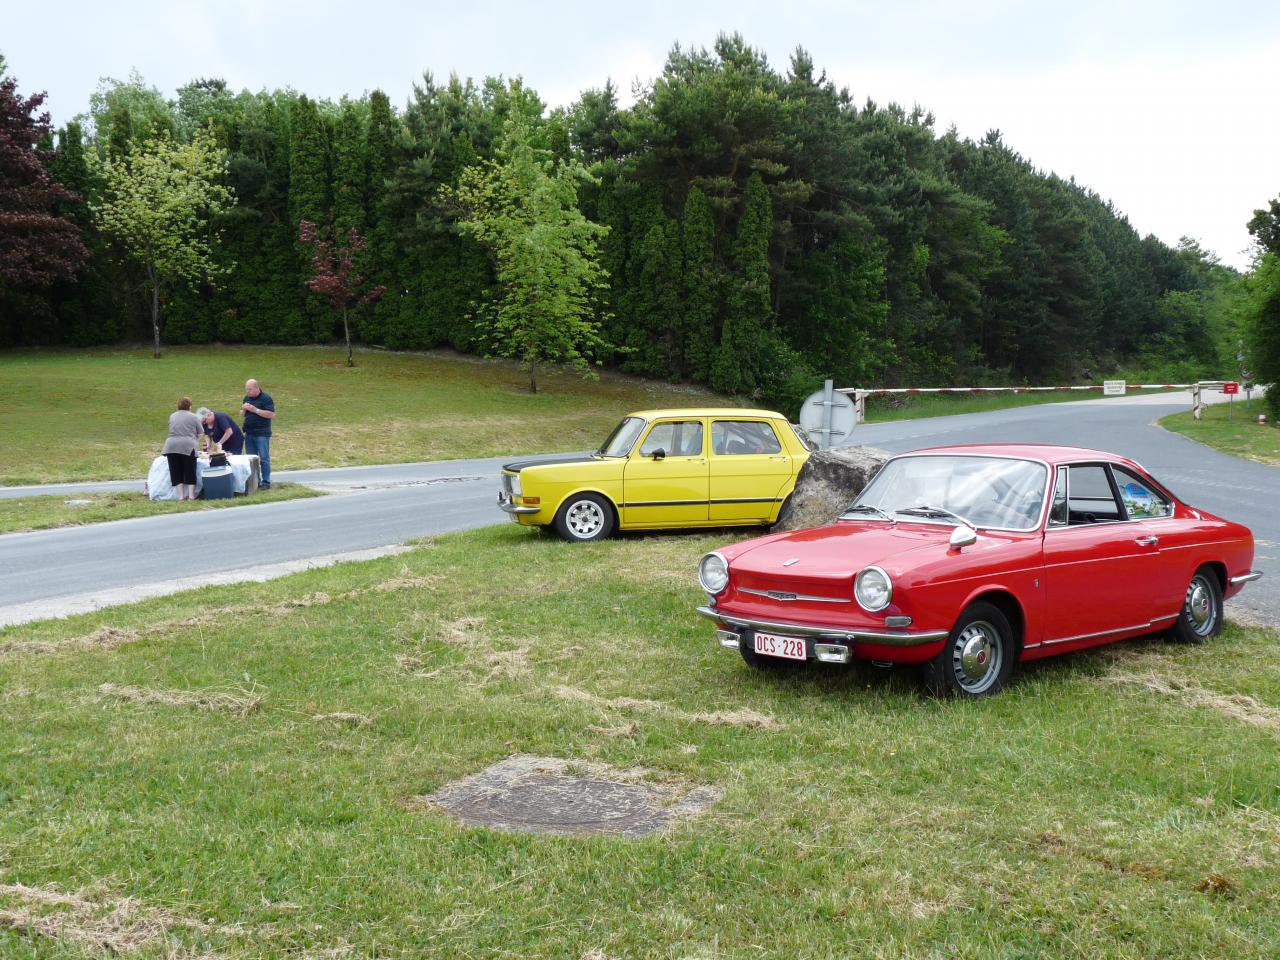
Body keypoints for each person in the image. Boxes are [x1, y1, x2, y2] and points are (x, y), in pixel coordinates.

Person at [162, 397, 203, 501]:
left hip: (171, 446)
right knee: (190, 470)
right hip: (187, 445)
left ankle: (180, 496)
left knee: (175, 471)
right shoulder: (194, 417)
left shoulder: (172, 416)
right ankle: (191, 496)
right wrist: (194, 440)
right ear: (189, 406)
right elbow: (201, 433)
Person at [241, 378, 276, 489]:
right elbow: (242, 414)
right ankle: (255, 481)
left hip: (262, 433)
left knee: (264, 458)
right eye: (247, 389)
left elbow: (271, 414)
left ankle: (266, 482)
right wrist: (244, 410)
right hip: (249, 433)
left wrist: (255, 410)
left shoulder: (266, 398)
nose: (248, 392)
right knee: (251, 459)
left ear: (257, 388)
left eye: (250, 389)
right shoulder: (247, 398)